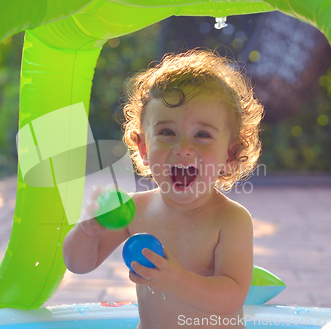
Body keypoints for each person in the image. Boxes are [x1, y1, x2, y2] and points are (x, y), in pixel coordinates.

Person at [63, 49, 264, 329]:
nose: (183, 148)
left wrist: (178, 282)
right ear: (144, 148)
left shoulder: (231, 220)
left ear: (229, 155)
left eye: (202, 135)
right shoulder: (134, 210)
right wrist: (87, 230)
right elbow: (78, 264)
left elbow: (232, 297)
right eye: (167, 132)